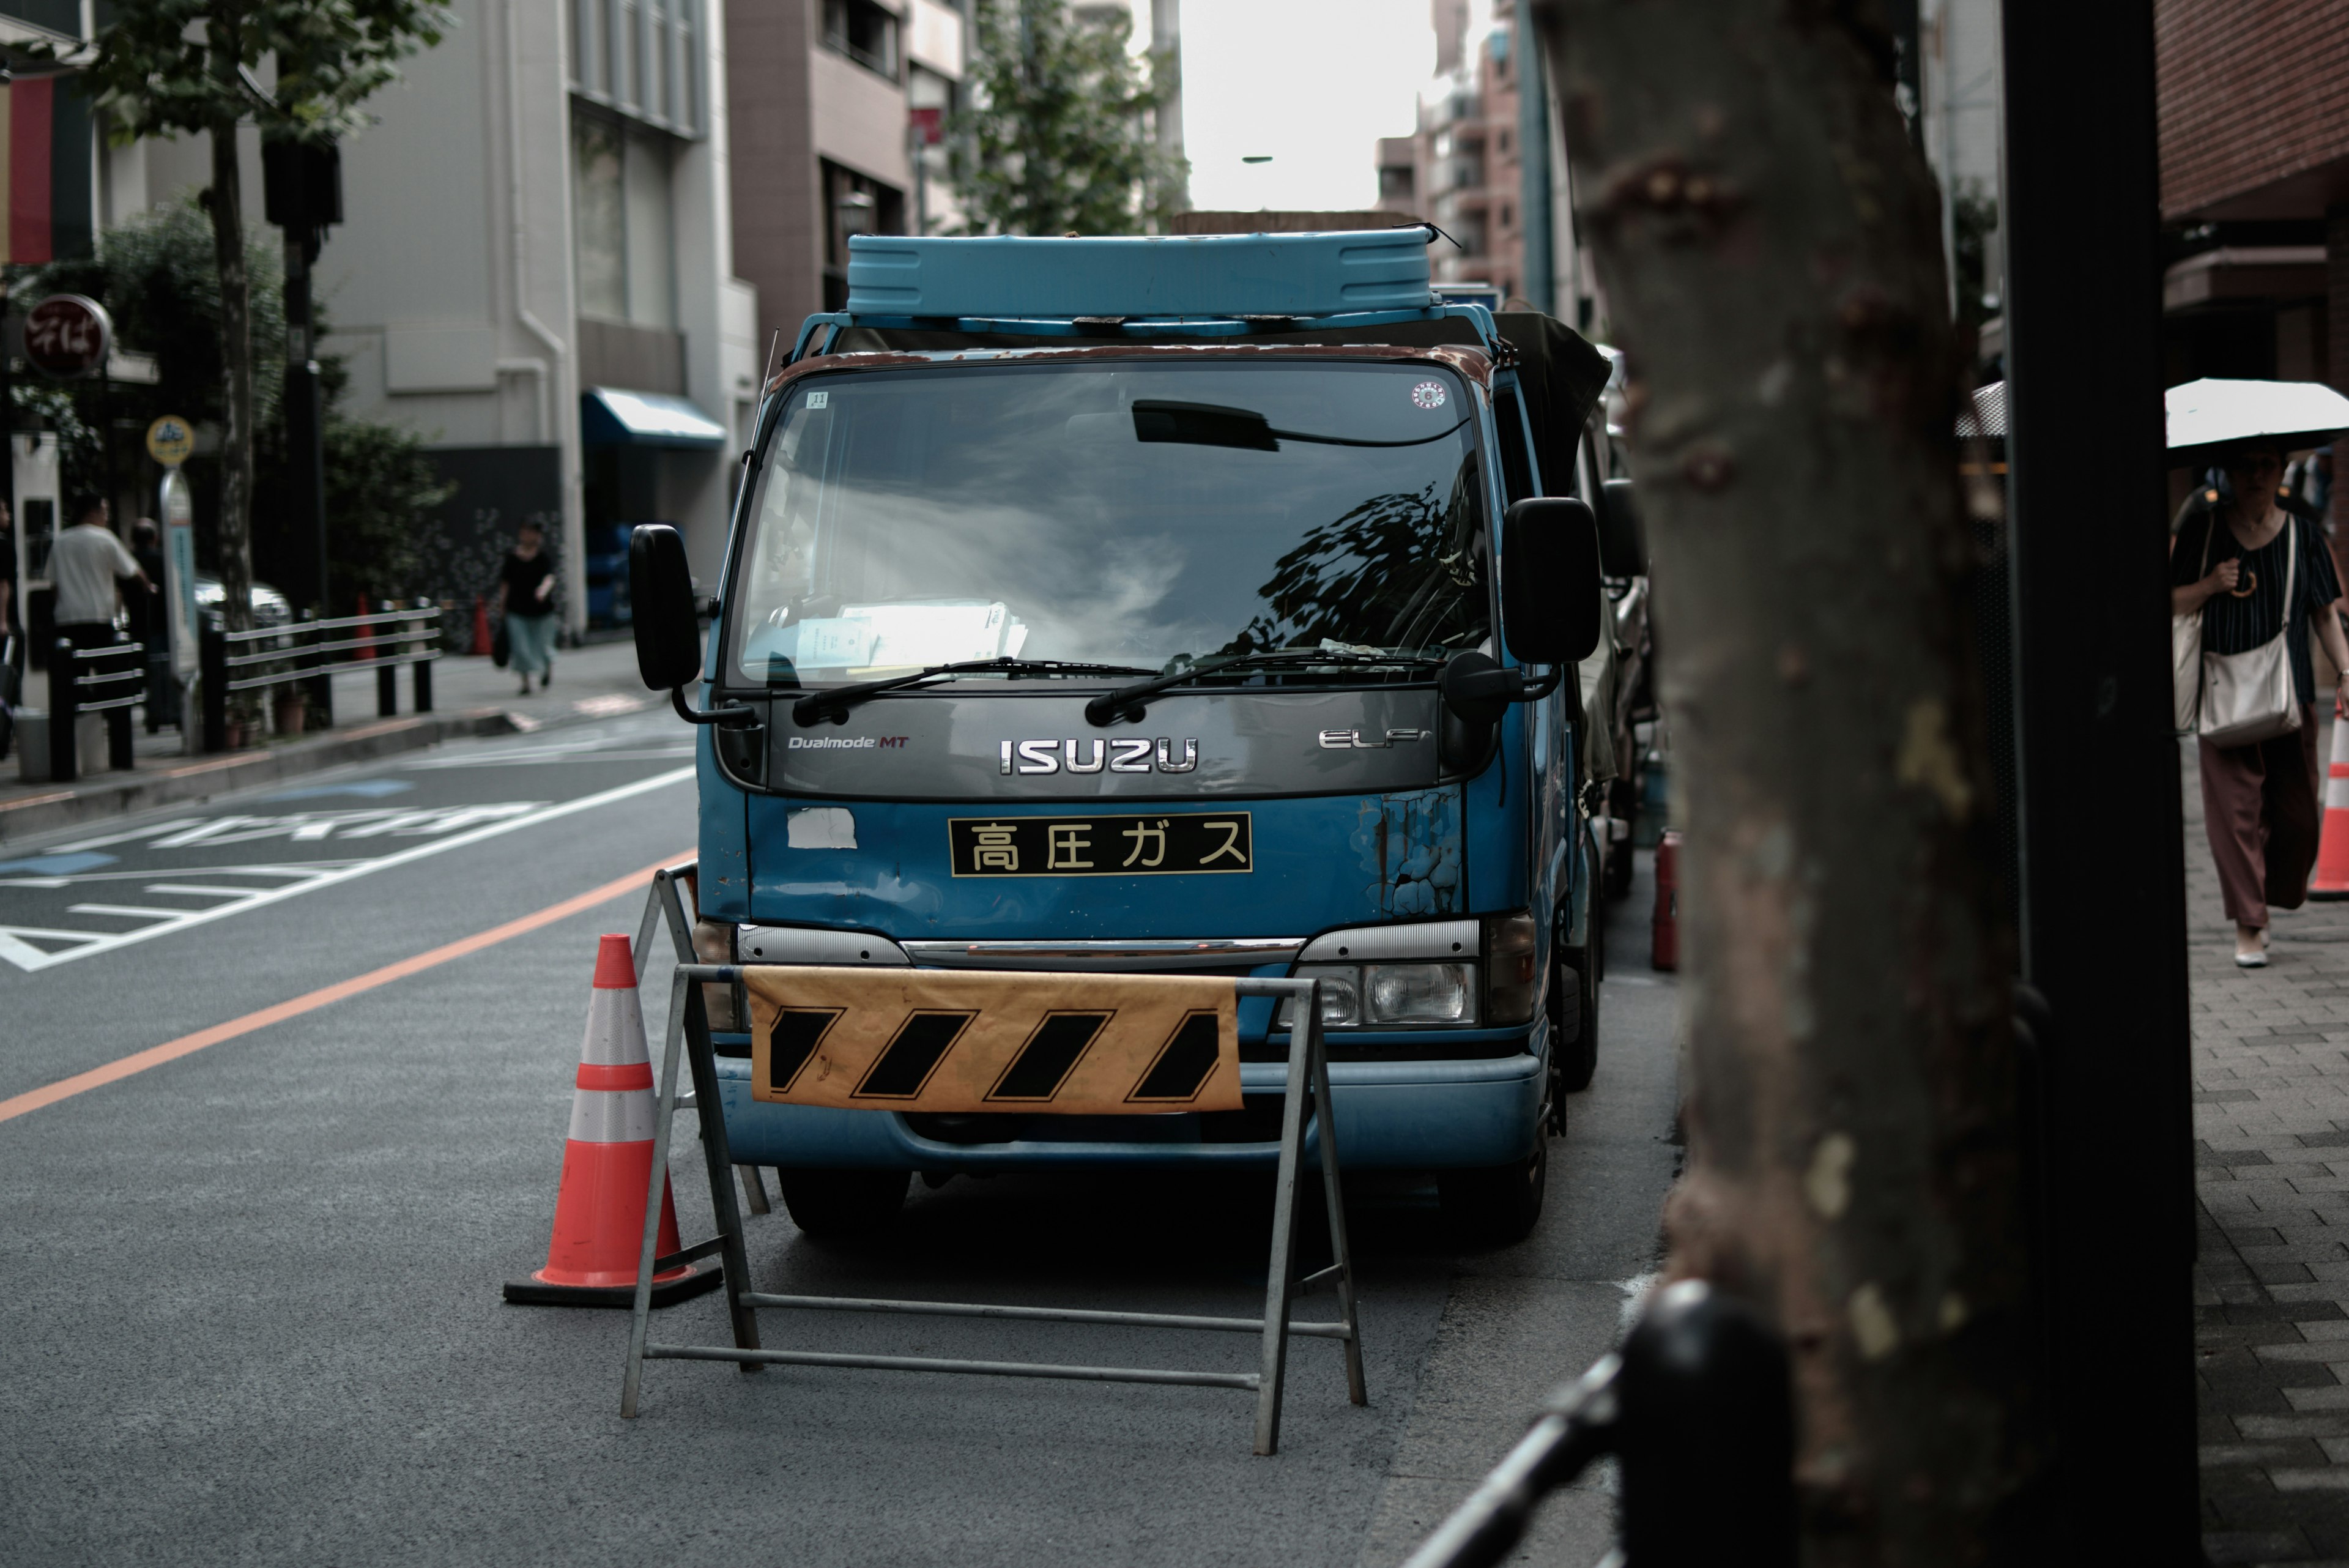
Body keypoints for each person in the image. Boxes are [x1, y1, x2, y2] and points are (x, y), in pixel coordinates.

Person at [2173, 440, 2349, 967]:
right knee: (2233, 817)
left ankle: (2269, 895)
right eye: (2243, 467)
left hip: (2290, 697)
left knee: (2298, 821)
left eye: (2265, 466)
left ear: (2281, 470)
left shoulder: (2304, 535)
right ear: (2227, 471)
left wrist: (2345, 669)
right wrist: (2209, 583)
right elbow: (2168, 598)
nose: (2254, 477)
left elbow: (2324, 614)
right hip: (2223, 694)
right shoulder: (2203, 529)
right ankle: (2250, 924)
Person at [50, 494, 148, 652]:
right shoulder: (105, 539)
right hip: (99, 617)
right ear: (92, 513)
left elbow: (54, 585)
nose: (107, 518)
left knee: (75, 669)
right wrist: (148, 586)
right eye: (105, 512)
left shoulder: (60, 541)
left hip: (67, 619)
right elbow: (133, 571)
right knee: (104, 668)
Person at [495, 519, 557, 697]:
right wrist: (502, 606)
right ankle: (526, 683)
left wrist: (543, 591)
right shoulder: (512, 557)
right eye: (525, 532)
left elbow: (550, 577)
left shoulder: (543, 556)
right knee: (520, 647)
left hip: (542, 610)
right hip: (517, 609)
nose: (527, 536)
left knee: (544, 646)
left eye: (531, 532)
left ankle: (546, 669)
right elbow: (505, 583)